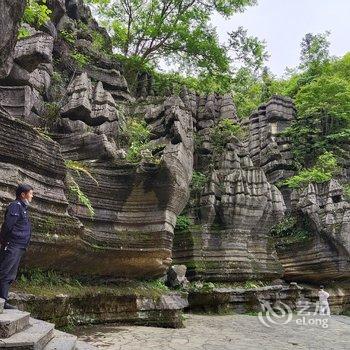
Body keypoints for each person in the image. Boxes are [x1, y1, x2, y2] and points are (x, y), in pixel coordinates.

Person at [0, 184, 33, 309]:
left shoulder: (23, 208)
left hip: (19, 246)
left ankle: (3, 300)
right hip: (12, 245)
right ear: (23, 194)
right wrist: (5, 242)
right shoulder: (15, 206)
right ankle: (1, 300)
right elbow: (8, 226)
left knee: (10, 274)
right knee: (5, 271)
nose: (32, 196)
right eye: (30, 193)